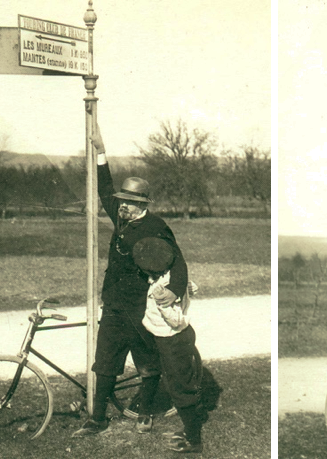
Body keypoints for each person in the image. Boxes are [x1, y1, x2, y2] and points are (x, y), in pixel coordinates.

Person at [72, 127, 191, 452]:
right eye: (122, 201)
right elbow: (104, 187)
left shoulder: (156, 227)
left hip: (141, 308)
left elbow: (178, 263)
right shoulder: (122, 220)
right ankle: (96, 419)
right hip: (113, 307)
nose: (121, 206)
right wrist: (100, 150)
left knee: (147, 363)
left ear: (142, 205)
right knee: (105, 363)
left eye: (129, 202)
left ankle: (146, 411)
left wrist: (175, 290)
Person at [132, 237, 206, 453]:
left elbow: (177, 320)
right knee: (179, 383)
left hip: (173, 339)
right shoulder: (172, 277)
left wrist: (162, 305)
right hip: (166, 338)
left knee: (179, 387)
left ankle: (194, 440)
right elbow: (192, 287)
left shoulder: (163, 290)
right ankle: (191, 429)